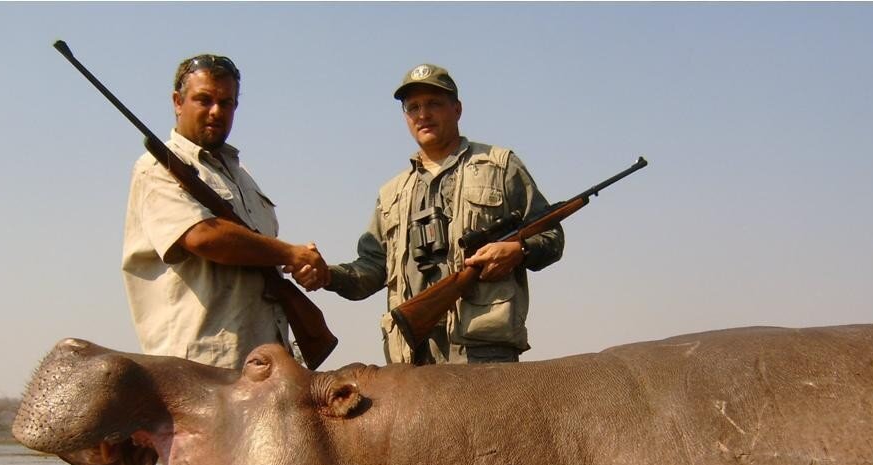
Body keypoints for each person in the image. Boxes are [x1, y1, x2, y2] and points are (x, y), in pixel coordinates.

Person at [299, 63, 564, 365]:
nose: (423, 114)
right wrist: (327, 275)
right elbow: (372, 270)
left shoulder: (501, 165)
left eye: (434, 104)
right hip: (412, 357)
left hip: (483, 353)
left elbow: (551, 234)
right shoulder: (391, 193)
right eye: (413, 107)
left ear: (457, 109)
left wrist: (518, 250)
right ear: (405, 117)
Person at [122, 54, 326, 369]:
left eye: (226, 103)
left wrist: (299, 264)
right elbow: (204, 237)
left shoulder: (242, 175)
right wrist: (290, 253)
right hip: (203, 369)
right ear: (178, 101)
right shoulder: (154, 168)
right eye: (204, 100)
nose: (216, 111)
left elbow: (260, 253)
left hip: (263, 365)